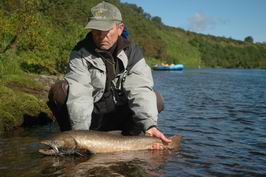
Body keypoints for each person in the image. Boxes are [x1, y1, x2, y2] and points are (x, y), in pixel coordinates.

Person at [47, 1, 171, 145]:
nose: (101, 35)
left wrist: (150, 125)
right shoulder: (80, 53)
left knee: (156, 99)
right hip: (93, 117)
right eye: (96, 30)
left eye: (107, 30)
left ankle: (132, 137)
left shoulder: (133, 53)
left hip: (120, 114)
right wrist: (81, 137)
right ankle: (68, 140)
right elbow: (79, 94)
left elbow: (140, 90)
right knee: (60, 91)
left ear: (120, 28)